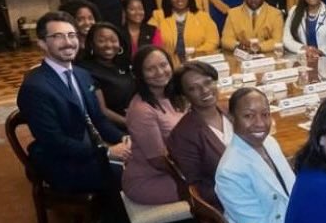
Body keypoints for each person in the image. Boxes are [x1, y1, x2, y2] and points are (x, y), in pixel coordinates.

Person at [16, 11, 131, 194]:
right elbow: (54, 142)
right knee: (132, 175)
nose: (68, 42)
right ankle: (114, 221)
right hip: (63, 162)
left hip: (91, 151)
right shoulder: (35, 87)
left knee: (145, 159)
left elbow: (98, 119)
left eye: (71, 35)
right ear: (42, 43)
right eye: (58, 37)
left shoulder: (82, 74)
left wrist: (123, 138)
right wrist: (107, 152)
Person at [215, 87, 296, 223]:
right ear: (232, 118)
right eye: (249, 116)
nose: (260, 123)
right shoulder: (230, 170)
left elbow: (291, 190)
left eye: (265, 114)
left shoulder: (269, 142)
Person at [122, 45, 185, 204]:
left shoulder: (170, 95)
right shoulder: (142, 110)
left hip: (175, 169)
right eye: (150, 69)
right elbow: (158, 161)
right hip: (151, 180)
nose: (160, 72)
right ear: (140, 75)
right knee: (216, 186)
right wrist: (195, 170)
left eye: (163, 65)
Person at [167, 62, 231, 209]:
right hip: (227, 204)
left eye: (208, 82)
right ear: (185, 95)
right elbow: (196, 189)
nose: (205, 90)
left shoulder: (232, 111)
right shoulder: (182, 136)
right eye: (193, 88)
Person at [79, 22, 135, 130]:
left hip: (137, 117)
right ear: (91, 44)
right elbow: (102, 111)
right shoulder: (85, 70)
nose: (108, 45)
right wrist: (132, 124)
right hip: (113, 128)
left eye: (113, 40)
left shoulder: (123, 64)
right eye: (101, 41)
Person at [152, 0, 220, 63]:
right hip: (167, 63)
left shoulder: (203, 16)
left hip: (198, 61)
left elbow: (213, 41)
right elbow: (151, 40)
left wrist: (195, 50)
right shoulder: (158, 16)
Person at [220, 0, 284, 54]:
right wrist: (238, 45)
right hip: (241, 56)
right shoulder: (233, 13)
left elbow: (277, 40)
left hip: (267, 56)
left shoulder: (275, 14)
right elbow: (225, 39)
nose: (253, 0)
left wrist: (259, 47)